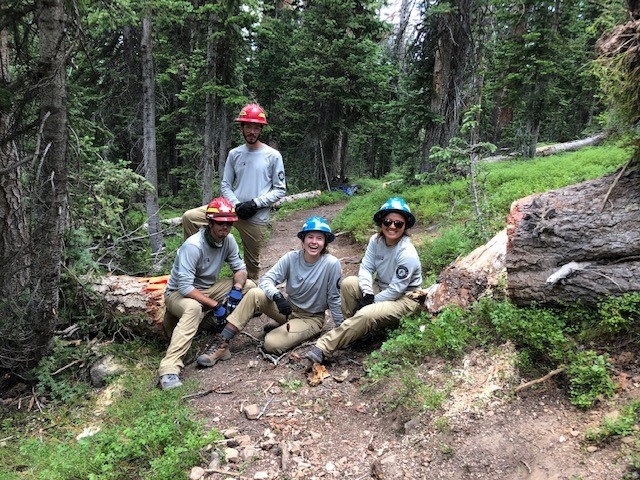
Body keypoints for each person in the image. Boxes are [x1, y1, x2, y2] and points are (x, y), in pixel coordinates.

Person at [195, 216, 343, 367]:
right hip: (289, 309)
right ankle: (222, 344)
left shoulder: (331, 264)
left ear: (325, 242)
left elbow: (334, 298)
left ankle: (296, 331)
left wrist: (341, 330)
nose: (314, 242)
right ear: (303, 239)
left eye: (319, 238)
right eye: (310, 237)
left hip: (310, 318)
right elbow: (266, 280)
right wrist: (277, 296)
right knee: (254, 293)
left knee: (271, 344)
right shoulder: (291, 258)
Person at [305, 197, 423, 365]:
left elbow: (397, 290)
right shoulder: (376, 241)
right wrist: (368, 293)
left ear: (405, 227)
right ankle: (357, 333)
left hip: (405, 298)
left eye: (398, 224)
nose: (392, 226)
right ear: (381, 222)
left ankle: (324, 347)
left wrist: (371, 302)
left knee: (366, 313)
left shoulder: (407, 253)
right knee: (349, 284)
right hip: (381, 287)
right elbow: (366, 268)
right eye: (388, 221)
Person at [158, 197, 256, 390]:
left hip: (207, 289)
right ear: (209, 222)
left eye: (229, 223)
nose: (225, 228)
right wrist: (215, 305)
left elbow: (240, 268)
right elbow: (185, 287)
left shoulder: (228, 240)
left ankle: (218, 333)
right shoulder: (193, 246)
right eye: (220, 223)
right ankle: (169, 369)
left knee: (250, 286)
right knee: (194, 307)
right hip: (178, 294)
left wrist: (236, 289)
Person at [182, 103, 286, 280]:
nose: (251, 132)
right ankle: (194, 262)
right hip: (231, 211)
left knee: (252, 265)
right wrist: (237, 205)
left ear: (261, 129)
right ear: (242, 128)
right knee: (190, 217)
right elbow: (225, 185)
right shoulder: (235, 154)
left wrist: (255, 203)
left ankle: (251, 296)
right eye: (248, 127)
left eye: (255, 127)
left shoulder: (272, 155)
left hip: (256, 217)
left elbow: (280, 189)